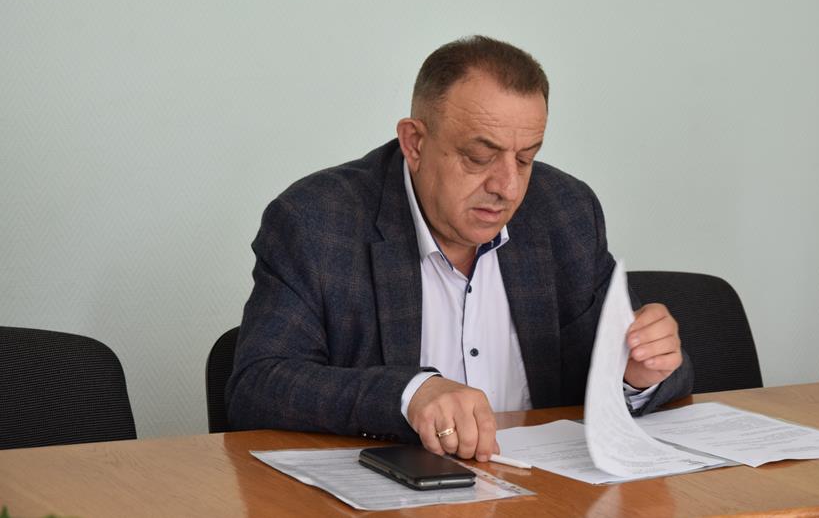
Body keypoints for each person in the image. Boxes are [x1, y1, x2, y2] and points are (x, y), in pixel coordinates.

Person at [226, 36, 692, 462]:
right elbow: (257, 385)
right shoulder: (317, 221)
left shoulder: (564, 212)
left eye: (526, 158)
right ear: (414, 143)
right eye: (479, 157)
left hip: (547, 495)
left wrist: (635, 373)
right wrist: (410, 393)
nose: (508, 187)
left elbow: (652, 368)